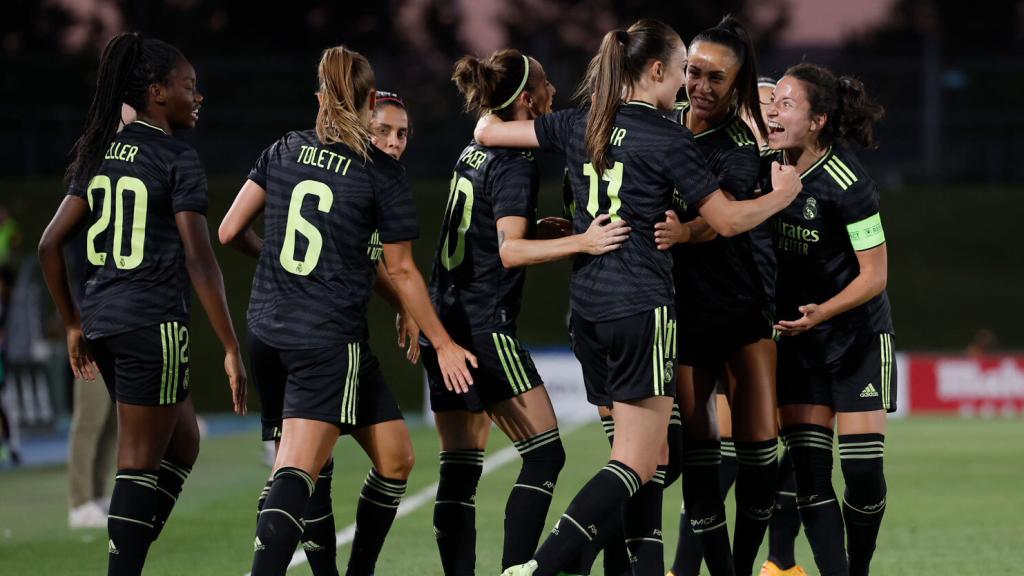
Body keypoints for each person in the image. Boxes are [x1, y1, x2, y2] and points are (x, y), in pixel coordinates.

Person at [474, 18, 803, 576]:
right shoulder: (668, 137)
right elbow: (726, 221)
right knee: (639, 462)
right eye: (682, 72)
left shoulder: (582, 121)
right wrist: (781, 197)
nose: (685, 86)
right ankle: (542, 567)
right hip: (640, 309)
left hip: (587, 311)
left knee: (644, 463)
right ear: (656, 70)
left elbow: (487, 131)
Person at [217, 45, 475, 576]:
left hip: (267, 331)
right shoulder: (376, 173)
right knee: (297, 472)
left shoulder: (284, 148)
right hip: (325, 339)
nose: (394, 141)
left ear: (320, 97)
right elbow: (403, 271)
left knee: (396, 457)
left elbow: (228, 231)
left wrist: (281, 263)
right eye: (385, 128)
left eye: (402, 133)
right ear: (367, 103)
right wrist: (445, 342)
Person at [37, 32, 246, 575]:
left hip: (103, 322)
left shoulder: (100, 152)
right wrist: (229, 346)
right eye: (188, 86)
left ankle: (126, 555)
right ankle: (124, 564)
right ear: (157, 92)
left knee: (185, 442)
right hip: (152, 322)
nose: (197, 97)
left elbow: (49, 245)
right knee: (137, 464)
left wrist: (73, 324)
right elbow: (200, 259)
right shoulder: (176, 156)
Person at [423, 48, 628, 575]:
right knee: (545, 454)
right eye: (546, 85)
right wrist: (582, 241)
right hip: (484, 328)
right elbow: (510, 251)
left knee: (459, 466)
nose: (554, 92)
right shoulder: (516, 162)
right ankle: (517, 569)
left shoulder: (473, 150)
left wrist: (539, 231)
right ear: (529, 101)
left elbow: (479, 234)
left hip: (445, 321)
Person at [653, 17, 779, 576]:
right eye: (694, 72)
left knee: (758, 455)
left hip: (738, 308)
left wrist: (685, 231)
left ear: (738, 84)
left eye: (716, 78)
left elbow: (722, 214)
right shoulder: (663, 121)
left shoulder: (738, 144)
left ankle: (747, 564)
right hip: (681, 311)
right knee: (700, 455)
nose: (700, 86)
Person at [762, 63, 891, 576]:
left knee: (863, 475)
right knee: (810, 475)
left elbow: (874, 275)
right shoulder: (761, 169)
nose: (774, 111)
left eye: (786, 104)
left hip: (856, 340)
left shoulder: (849, 184)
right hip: (799, 345)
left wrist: (825, 311)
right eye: (774, 102)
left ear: (817, 122)